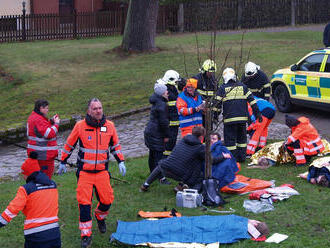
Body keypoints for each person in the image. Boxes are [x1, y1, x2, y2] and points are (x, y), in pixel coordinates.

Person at [59, 98, 126, 248]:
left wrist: (120, 160)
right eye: (95, 108)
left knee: (107, 201)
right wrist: (63, 161)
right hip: (84, 173)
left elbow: (115, 145)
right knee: (84, 204)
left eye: (100, 108)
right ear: (89, 111)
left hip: (102, 172)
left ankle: (99, 217)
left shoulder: (110, 126)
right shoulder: (80, 126)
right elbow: (69, 144)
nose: (98, 111)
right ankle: (86, 235)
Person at [0, 152, 61, 248]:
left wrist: (1, 221)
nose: (23, 177)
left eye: (24, 173)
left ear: (29, 174)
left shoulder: (26, 189)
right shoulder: (53, 185)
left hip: (35, 235)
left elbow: (13, 208)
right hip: (54, 232)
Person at [214, 68, 261, 162]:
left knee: (230, 141)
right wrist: (257, 114)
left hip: (229, 120)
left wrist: (215, 116)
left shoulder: (222, 88)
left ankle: (233, 158)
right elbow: (252, 101)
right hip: (242, 120)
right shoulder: (243, 87)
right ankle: (242, 158)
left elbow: (217, 105)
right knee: (242, 140)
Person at [140, 126, 206, 192]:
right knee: (198, 170)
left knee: (161, 165)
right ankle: (184, 187)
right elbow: (208, 159)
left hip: (166, 168)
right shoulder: (200, 147)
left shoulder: (183, 140)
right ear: (201, 136)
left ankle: (145, 185)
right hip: (179, 174)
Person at [144, 82, 171, 184]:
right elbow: (164, 123)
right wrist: (167, 135)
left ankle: (152, 174)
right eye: (165, 90)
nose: (167, 92)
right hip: (157, 134)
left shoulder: (156, 101)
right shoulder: (162, 105)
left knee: (152, 155)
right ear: (162, 93)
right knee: (159, 157)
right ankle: (161, 177)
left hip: (150, 132)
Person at [27, 99, 60, 179]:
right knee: (45, 178)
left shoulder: (33, 117)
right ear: (41, 108)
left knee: (37, 177)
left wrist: (51, 122)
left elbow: (41, 130)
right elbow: (49, 134)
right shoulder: (38, 119)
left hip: (37, 154)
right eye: (47, 108)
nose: (48, 110)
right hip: (44, 155)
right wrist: (56, 124)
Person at [160, 70, 181, 157]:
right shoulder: (165, 91)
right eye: (175, 81)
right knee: (168, 145)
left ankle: (169, 161)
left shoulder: (173, 89)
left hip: (174, 122)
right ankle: (164, 161)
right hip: (169, 124)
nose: (176, 83)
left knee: (172, 143)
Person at [193, 59, 219, 127]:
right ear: (204, 70)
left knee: (209, 130)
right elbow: (191, 93)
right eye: (209, 72)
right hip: (198, 110)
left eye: (212, 72)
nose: (211, 74)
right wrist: (202, 102)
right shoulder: (196, 79)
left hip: (209, 110)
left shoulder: (214, 80)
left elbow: (217, 95)